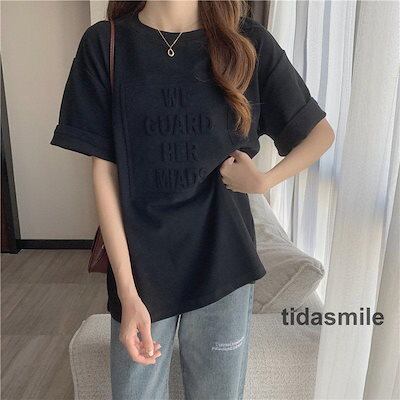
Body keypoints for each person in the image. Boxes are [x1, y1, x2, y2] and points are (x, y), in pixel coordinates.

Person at [50, 1, 335, 399]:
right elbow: (105, 173)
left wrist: (264, 181)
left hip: (225, 262)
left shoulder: (247, 42)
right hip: (143, 268)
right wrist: (128, 292)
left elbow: (319, 134)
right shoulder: (105, 44)